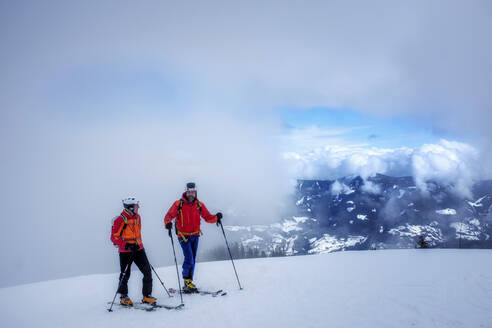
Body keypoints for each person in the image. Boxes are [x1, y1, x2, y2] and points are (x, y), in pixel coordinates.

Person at [164, 182, 223, 293]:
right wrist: (167, 223)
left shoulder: (199, 205)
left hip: (195, 235)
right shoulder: (178, 204)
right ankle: (187, 281)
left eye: (193, 192)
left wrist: (216, 217)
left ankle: (189, 282)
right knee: (189, 258)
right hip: (183, 236)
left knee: (193, 259)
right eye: (189, 192)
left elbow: (207, 217)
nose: (191, 194)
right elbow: (169, 216)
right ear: (186, 192)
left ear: (195, 192)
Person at [110, 197, 155, 306]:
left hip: (138, 249)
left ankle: (146, 296)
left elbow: (137, 234)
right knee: (125, 274)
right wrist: (127, 245)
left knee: (147, 271)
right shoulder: (120, 219)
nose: (138, 207)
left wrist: (139, 245)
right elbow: (113, 238)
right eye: (136, 205)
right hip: (126, 251)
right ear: (130, 207)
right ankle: (123, 296)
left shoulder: (138, 217)